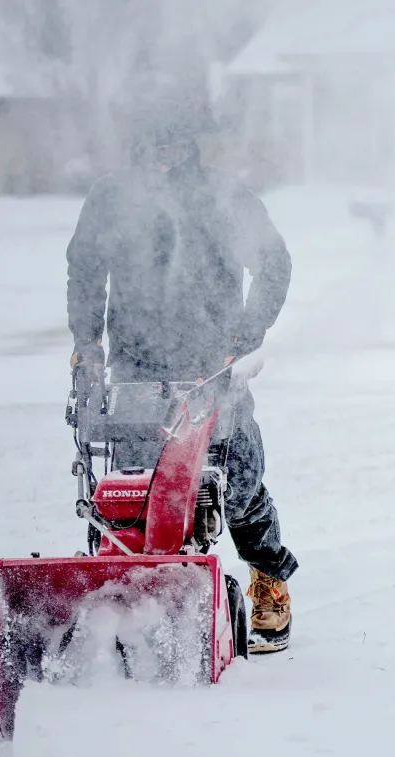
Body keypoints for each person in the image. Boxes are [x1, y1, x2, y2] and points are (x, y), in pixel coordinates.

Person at [65, 106, 297, 653]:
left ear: (190, 146)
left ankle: (269, 576)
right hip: (136, 362)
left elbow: (274, 262)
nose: (162, 158)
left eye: (172, 146)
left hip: (212, 361)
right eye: (152, 147)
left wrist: (246, 336)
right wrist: (86, 343)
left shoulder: (223, 197)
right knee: (131, 484)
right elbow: (85, 269)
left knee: (235, 478)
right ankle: (123, 590)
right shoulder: (111, 199)